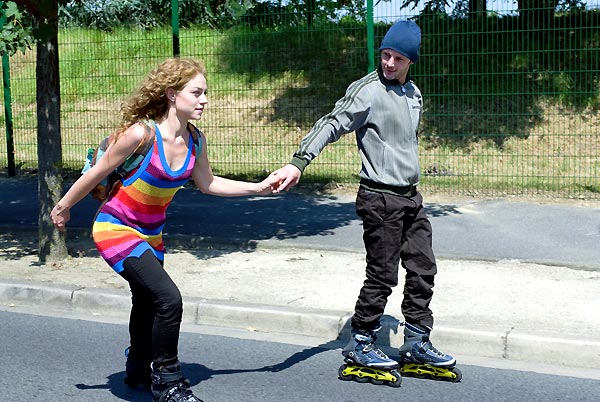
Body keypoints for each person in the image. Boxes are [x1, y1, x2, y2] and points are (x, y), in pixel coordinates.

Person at [51, 58, 278, 402]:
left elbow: (208, 183)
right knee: (168, 299)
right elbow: (96, 174)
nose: (205, 100)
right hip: (115, 228)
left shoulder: (195, 141)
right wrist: (63, 206)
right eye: (197, 92)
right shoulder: (140, 134)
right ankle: (167, 381)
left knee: (146, 302)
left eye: (206, 93)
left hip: (152, 234)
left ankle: (138, 368)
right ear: (172, 94)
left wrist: (258, 188)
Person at [271, 21, 456, 375]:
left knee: (423, 268)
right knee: (383, 274)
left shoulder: (414, 94)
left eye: (397, 58)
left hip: (410, 198)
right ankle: (361, 342)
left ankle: (416, 340)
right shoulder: (367, 91)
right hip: (379, 198)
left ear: (410, 61)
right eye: (385, 55)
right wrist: (299, 162)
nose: (388, 63)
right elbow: (331, 122)